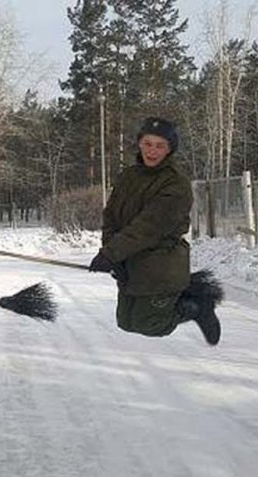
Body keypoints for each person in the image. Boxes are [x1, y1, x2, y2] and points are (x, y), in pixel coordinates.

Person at [88, 117, 223, 345]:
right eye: (148, 144)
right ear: (139, 143)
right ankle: (180, 295)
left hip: (160, 263)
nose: (152, 151)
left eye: (160, 146)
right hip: (130, 262)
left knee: (149, 324)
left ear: (170, 149)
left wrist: (112, 254)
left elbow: (150, 227)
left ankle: (195, 307)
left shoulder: (175, 184)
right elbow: (111, 216)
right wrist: (113, 254)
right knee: (126, 322)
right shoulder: (129, 176)